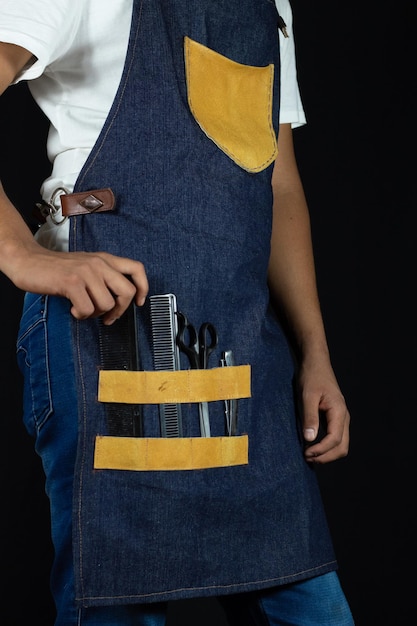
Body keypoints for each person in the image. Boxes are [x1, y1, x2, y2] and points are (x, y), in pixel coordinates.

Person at [0, 1, 354, 625]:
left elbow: (279, 184)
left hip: (240, 346)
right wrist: (23, 256)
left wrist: (315, 353)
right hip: (112, 332)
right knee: (119, 601)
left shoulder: (269, 5)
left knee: (308, 603)